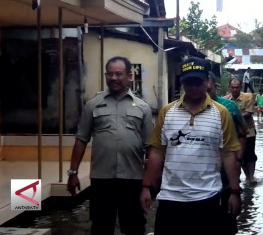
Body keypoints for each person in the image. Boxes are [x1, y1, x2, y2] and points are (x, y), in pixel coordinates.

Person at [140, 57, 242, 235]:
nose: (194, 87)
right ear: (182, 83)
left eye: (198, 82)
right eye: (189, 82)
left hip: (208, 197)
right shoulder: (167, 112)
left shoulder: (221, 113)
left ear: (207, 82)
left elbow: (228, 155)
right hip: (170, 198)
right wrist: (146, 187)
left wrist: (234, 191)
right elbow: (156, 152)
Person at [67, 56, 153, 235]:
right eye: (110, 74)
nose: (114, 78)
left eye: (119, 74)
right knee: (100, 226)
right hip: (101, 179)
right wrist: (73, 173)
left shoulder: (143, 107)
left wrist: (148, 185)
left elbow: (151, 147)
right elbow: (81, 139)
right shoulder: (92, 105)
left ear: (129, 76)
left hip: (132, 179)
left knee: (134, 226)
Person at [207, 72, 246, 235]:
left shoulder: (228, 107)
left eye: (209, 88)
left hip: (226, 177)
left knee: (227, 222)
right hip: (203, 179)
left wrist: (237, 158)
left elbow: (243, 132)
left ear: (215, 87)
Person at [224, 78, 257, 184]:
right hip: (233, 132)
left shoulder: (248, 97)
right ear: (229, 87)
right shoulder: (225, 100)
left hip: (248, 131)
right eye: (232, 87)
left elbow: (249, 113)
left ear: (241, 87)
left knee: (250, 155)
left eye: (237, 87)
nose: (234, 89)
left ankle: (251, 177)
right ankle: (244, 176)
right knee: (239, 155)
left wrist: (234, 115)